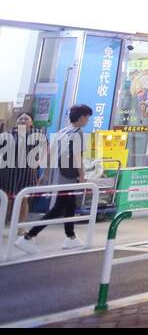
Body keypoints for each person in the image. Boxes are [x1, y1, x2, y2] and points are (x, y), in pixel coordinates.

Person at [16, 105, 91, 253]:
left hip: (59, 173)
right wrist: (82, 175)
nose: (87, 120)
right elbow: (77, 157)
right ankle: (29, 237)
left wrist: (47, 174)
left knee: (70, 206)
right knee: (58, 208)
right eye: (87, 117)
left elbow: (50, 153)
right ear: (82, 117)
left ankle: (71, 237)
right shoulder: (78, 133)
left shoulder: (63, 131)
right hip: (69, 175)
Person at [1, 112, 43, 230]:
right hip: (7, 173)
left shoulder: (37, 135)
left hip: (26, 174)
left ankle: (21, 227)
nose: (23, 120)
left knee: (24, 200)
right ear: (16, 121)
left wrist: (38, 175)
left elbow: (41, 154)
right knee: (6, 200)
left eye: (26, 118)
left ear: (31, 122)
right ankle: (3, 224)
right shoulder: (7, 135)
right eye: (20, 118)